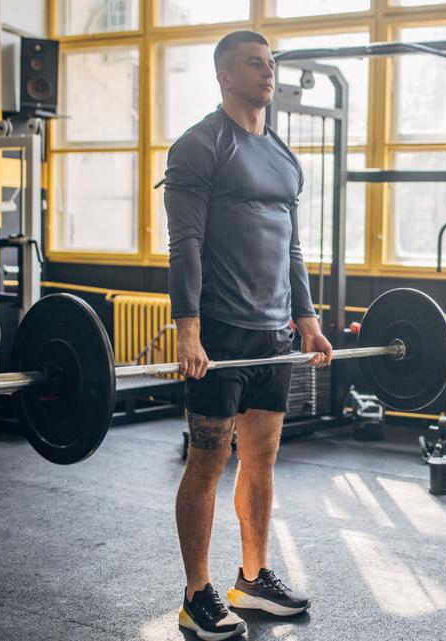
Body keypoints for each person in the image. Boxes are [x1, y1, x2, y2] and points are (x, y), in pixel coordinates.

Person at [164, 30, 333, 641]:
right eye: (254, 64)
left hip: (272, 335)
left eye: (271, 65)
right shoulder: (200, 145)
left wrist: (307, 320)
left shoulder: (283, 155)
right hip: (220, 332)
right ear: (224, 76)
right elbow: (184, 244)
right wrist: (189, 330)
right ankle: (196, 595)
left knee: (261, 459)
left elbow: (292, 248)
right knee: (208, 459)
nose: (268, 74)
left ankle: (253, 579)